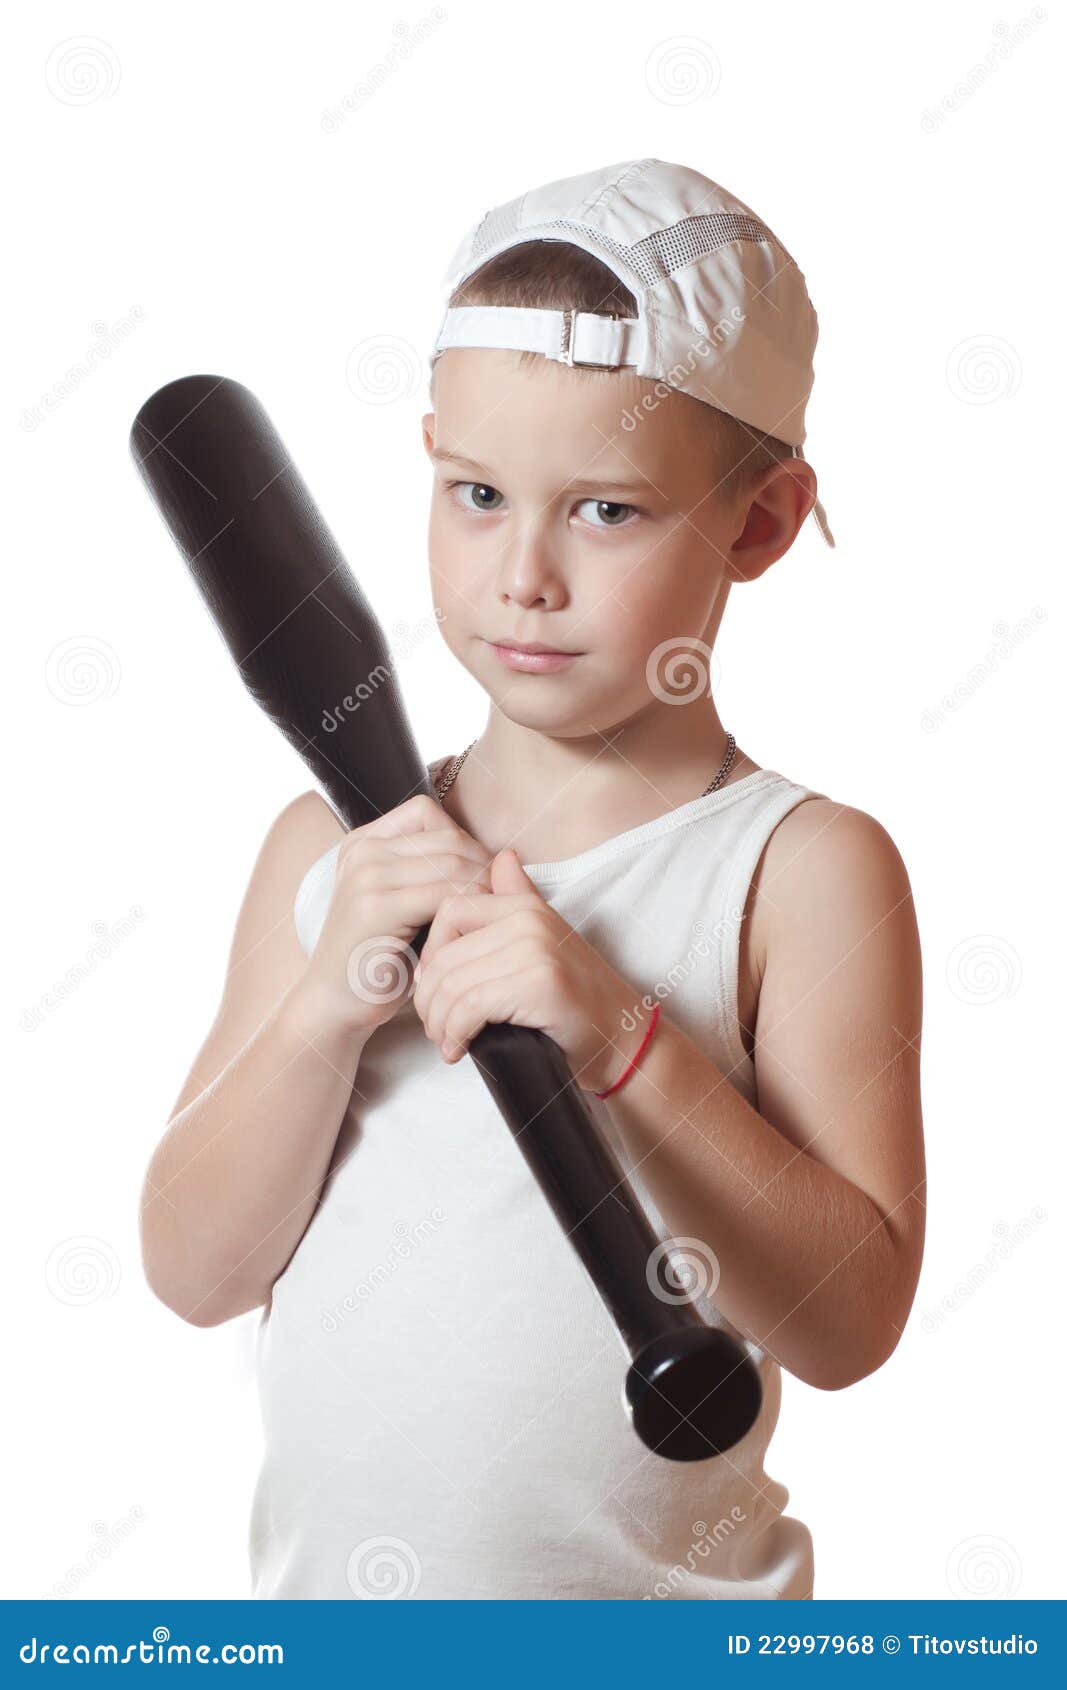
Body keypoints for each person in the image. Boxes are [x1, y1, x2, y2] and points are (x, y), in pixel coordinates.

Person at [139, 158, 926, 1600]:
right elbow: (193, 1272)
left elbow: (850, 1322)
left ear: (759, 521)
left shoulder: (798, 869)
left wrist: (623, 1036)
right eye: (479, 493)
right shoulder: (327, 852)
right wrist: (324, 1011)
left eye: (607, 510)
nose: (524, 575)